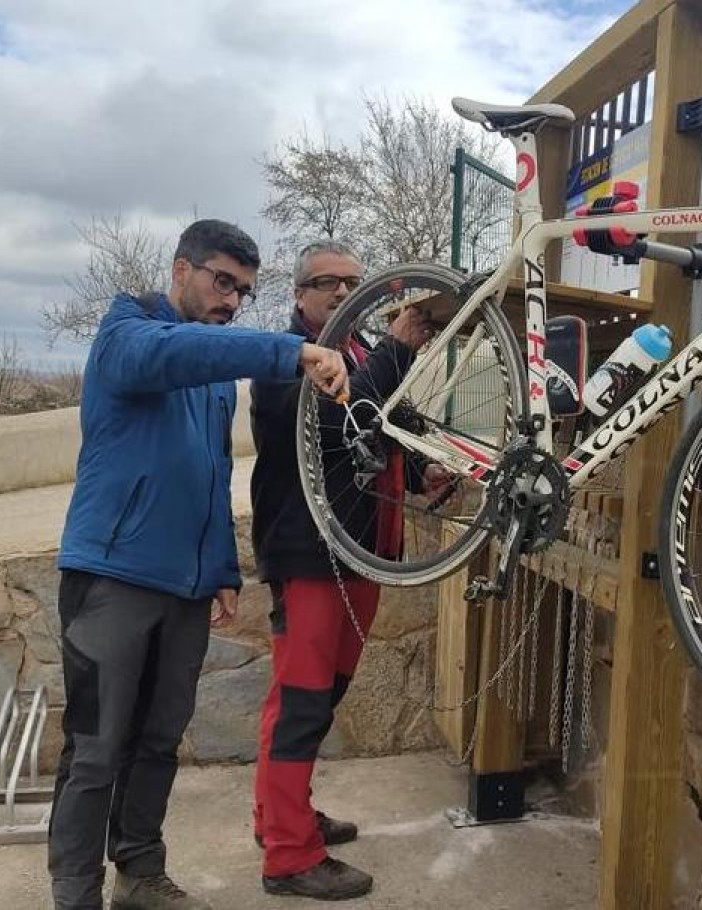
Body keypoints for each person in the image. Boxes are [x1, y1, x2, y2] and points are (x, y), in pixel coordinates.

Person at [49, 220, 350, 910]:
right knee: (95, 750)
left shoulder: (214, 381)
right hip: (110, 577)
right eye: (222, 283)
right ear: (180, 269)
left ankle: (140, 874)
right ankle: (74, 894)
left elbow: (213, 474)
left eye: (244, 291)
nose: (232, 302)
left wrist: (219, 568)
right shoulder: (126, 332)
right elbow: (174, 355)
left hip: (185, 589)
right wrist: (291, 350)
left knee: (159, 742)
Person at [250, 241, 448, 901]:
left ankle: (282, 816)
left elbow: (386, 429)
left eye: (355, 283)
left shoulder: (363, 349)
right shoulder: (285, 358)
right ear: (300, 294)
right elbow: (338, 420)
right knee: (302, 701)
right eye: (327, 283)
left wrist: (426, 473)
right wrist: (395, 350)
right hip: (310, 554)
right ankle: (288, 857)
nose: (343, 294)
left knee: (317, 698)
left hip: (362, 553)